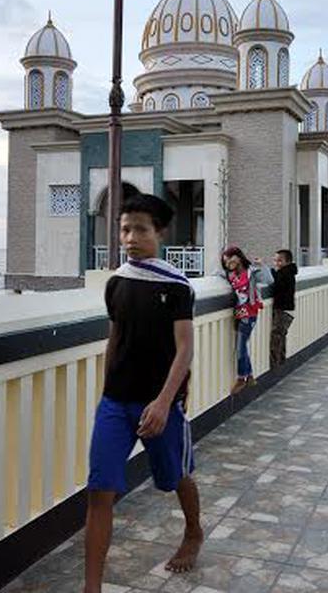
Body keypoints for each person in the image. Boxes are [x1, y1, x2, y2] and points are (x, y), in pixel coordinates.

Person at [85, 194, 201, 592]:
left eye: (140, 229)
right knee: (100, 489)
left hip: (160, 402)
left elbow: (184, 347)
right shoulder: (117, 282)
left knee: (176, 477)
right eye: (124, 229)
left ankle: (194, 531)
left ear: (160, 233)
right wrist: (105, 393)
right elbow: (115, 337)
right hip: (115, 403)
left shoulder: (176, 286)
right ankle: (92, 587)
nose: (130, 238)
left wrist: (165, 403)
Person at [220, 245, 270, 394]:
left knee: (241, 347)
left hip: (250, 314)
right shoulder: (231, 275)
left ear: (239, 256)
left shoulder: (252, 272)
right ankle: (250, 376)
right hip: (240, 314)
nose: (229, 262)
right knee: (242, 346)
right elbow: (218, 275)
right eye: (226, 260)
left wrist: (262, 265)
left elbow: (269, 280)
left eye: (231, 257)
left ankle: (242, 378)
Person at [267, 249, 298, 370]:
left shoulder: (285, 274)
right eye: (275, 260)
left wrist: (270, 272)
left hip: (282, 309)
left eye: (279, 260)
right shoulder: (289, 272)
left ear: (287, 262)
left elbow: (277, 286)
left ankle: (275, 364)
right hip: (287, 309)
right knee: (281, 334)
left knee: (277, 335)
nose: (276, 263)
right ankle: (281, 361)